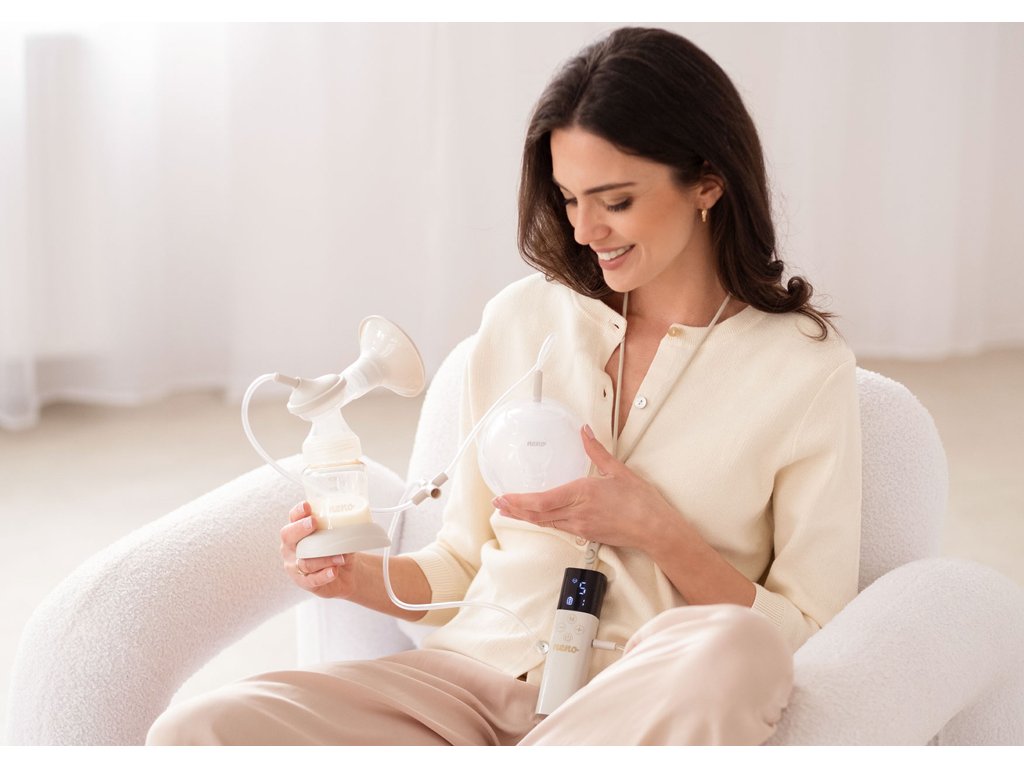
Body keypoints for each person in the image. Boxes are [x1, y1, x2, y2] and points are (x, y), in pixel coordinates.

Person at [147, 26, 861, 746]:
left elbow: (808, 630)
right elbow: (460, 564)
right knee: (198, 731)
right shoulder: (523, 319)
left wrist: (657, 531)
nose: (585, 231)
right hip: (462, 689)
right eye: (569, 198)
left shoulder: (803, 369)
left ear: (707, 181)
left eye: (615, 201)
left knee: (740, 649)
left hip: (634, 708)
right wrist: (353, 575)